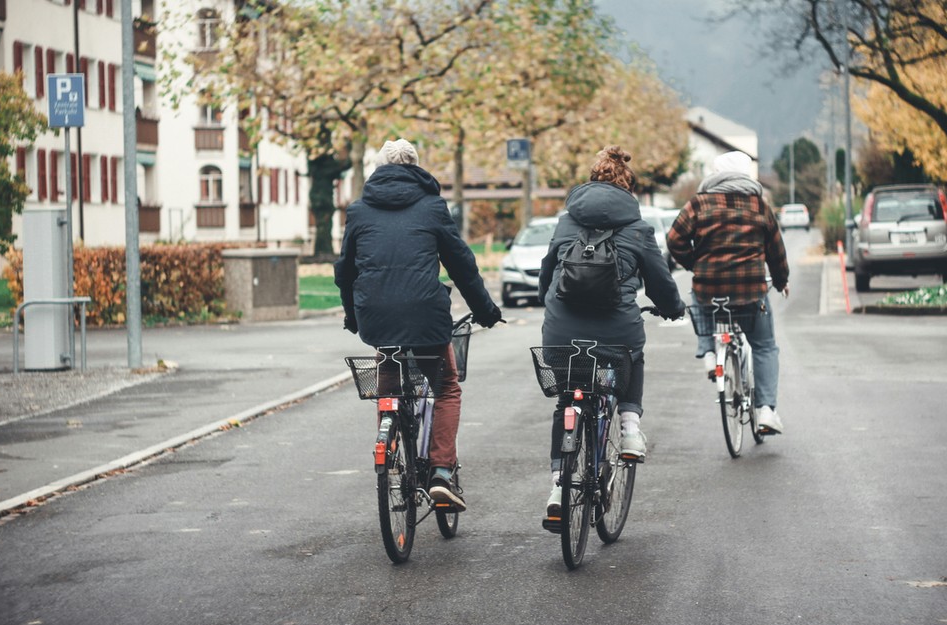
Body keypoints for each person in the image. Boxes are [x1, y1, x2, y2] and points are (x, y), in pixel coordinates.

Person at [334, 138, 502, 511]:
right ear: (416, 168)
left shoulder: (359, 210)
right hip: (427, 316)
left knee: (388, 388)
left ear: (380, 169)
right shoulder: (431, 206)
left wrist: (352, 314)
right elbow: (461, 265)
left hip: (376, 318)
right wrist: (486, 310)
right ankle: (441, 472)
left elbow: (344, 271)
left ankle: (391, 450)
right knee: (446, 388)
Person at [537, 145, 686, 516]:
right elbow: (660, 283)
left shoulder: (566, 222)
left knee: (567, 400)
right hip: (617, 331)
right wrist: (672, 309)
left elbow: (547, 271)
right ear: (627, 187)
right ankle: (630, 427)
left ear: (590, 181)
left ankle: (558, 488)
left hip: (561, 331)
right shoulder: (637, 229)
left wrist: (547, 299)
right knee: (632, 356)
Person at [666, 150, 790, 434]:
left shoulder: (698, 204)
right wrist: (781, 281)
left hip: (710, 289)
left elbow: (674, 240)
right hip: (750, 292)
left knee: (698, 299)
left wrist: (695, 263)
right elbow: (776, 251)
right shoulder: (759, 206)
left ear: (716, 173)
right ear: (747, 175)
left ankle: (709, 353)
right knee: (764, 345)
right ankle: (766, 410)